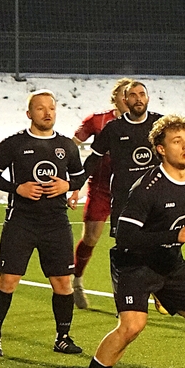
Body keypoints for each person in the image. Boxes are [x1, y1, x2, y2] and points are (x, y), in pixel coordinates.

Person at [74, 115, 185, 368]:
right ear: (160, 149)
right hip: (134, 263)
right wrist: (174, 235)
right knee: (132, 326)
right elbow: (126, 236)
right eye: (177, 141)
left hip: (170, 263)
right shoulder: (147, 187)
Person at [0, 90, 88, 358]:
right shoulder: (13, 144)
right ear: (29, 113)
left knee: (62, 283)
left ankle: (62, 338)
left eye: (51, 108)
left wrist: (68, 185)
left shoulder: (66, 145)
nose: (47, 112)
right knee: (8, 281)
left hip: (56, 222)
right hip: (21, 221)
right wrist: (17, 188)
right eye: (40, 108)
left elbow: (79, 177)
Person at [82, 80, 185, 315]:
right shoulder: (113, 129)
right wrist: (75, 185)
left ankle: (160, 290)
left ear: (148, 98)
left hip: (158, 198)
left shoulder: (160, 124)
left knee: (164, 242)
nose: (138, 99)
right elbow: (93, 158)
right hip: (125, 200)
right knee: (126, 247)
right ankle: (125, 298)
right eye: (133, 95)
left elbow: (184, 146)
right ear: (124, 100)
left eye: (142, 94)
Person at [68, 77, 134, 309]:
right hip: (101, 187)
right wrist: (74, 182)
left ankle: (154, 288)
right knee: (91, 238)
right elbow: (71, 146)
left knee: (139, 239)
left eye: (132, 94)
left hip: (130, 190)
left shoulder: (143, 123)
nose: (128, 98)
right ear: (115, 97)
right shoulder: (98, 120)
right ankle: (76, 280)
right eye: (124, 93)